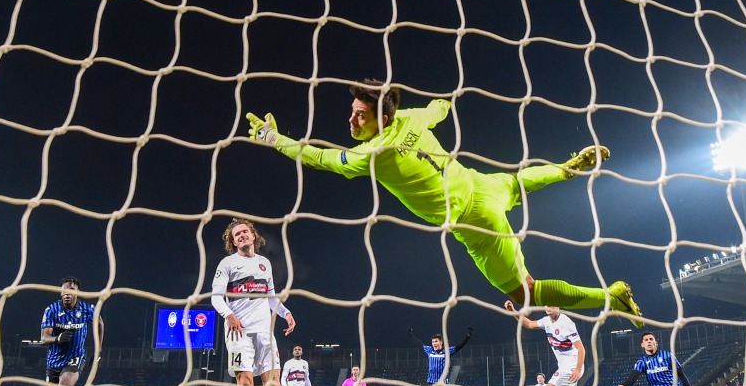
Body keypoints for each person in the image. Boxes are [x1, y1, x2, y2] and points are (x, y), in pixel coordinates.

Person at [245, 81, 641, 322]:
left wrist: (274, 140)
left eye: (359, 116)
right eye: (352, 113)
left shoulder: (374, 153)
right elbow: (440, 108)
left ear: (382, 120)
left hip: (474, 220)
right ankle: (564, 169)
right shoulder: (410, 119)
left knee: (527, 294)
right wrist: (436, 106)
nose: (351, 122)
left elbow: (322, 159)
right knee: (517, 183)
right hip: (482, 184)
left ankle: (612, 296)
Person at [211, 218, 296, 386]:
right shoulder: (228, 263)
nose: (241, 236)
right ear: (232, 241)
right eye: (236, 234)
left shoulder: (264, 264)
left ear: (253, 235)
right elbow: (216, 296)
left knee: (273, 385)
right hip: (239, 332)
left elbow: (270, 297)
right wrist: (229, 315)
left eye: (245, 232)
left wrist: (285, 312)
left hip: (264, 332)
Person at [41, 276, 103, 386]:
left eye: (71, 290)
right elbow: (44, 338)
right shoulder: (51, 310)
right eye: (64, 290)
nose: (67, 294)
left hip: (75, 358)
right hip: (54, 361)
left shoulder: (86, 309)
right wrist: (57, 339)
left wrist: (98, 350)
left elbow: (99, 322)